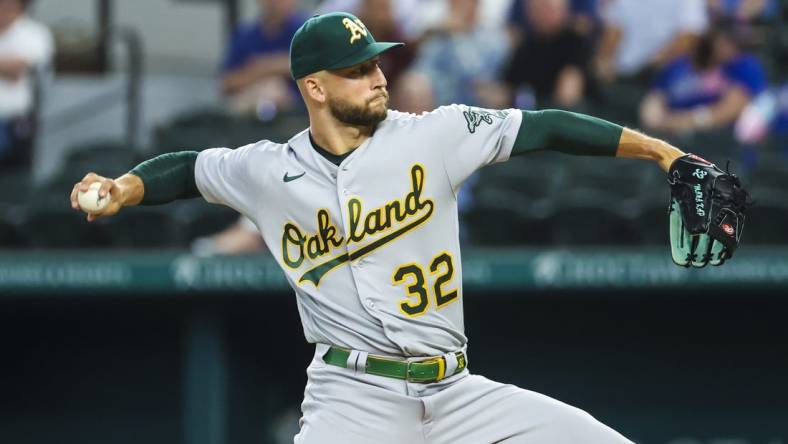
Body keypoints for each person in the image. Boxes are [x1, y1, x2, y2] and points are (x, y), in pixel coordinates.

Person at [70, 12, 745, 443]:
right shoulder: (266, 169)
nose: (377, 77)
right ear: (314, 86)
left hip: (456, 392)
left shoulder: (433, 135)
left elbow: (546, 128)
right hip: (352, 399)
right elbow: (191, 167)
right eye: (358, 70)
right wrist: (122, 188)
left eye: (378, 63)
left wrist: (665, 152)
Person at [639, 23, 767, 136]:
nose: (727, 47)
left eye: (733, 42)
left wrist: (682, 121)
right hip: (666, 134)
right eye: (725, 40)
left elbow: (729, 110)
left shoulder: (744, 65)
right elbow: (655, 98)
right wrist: (655, 120)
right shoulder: (682, 62)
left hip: (713, 141)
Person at [500, 0, 592, 109]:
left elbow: (569, 93)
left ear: (563, 12)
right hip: (534, 110)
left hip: (574, 112)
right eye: (539, 9)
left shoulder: (575, 42)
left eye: (549, 9)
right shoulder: (527, 44)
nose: (544, 14)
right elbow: (508, 85)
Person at [220, 0, 306, 116]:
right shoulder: (245, 34)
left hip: (297, 117)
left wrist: (266, 67)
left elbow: (313, 68)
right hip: (248, 113)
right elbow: (226, 83)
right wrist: (257, 75)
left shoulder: (306, 31)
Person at [0, 0, 53, 171]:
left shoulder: (34, 33)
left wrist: (11, 67)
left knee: (14, 176)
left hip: (15, 121)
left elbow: (18, 69)